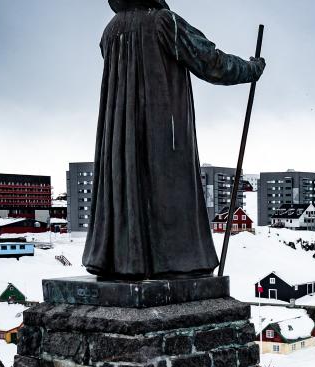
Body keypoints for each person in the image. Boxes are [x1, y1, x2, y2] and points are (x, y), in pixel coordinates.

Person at [83, 0, 265, 280]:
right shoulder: (162, 21)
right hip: (162, 131)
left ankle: (123, 261)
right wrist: (251, 69)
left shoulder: (110, 30)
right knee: (169, 192)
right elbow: (210, 61)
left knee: (128, 188)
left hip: (120, 137)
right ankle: (177, 262)